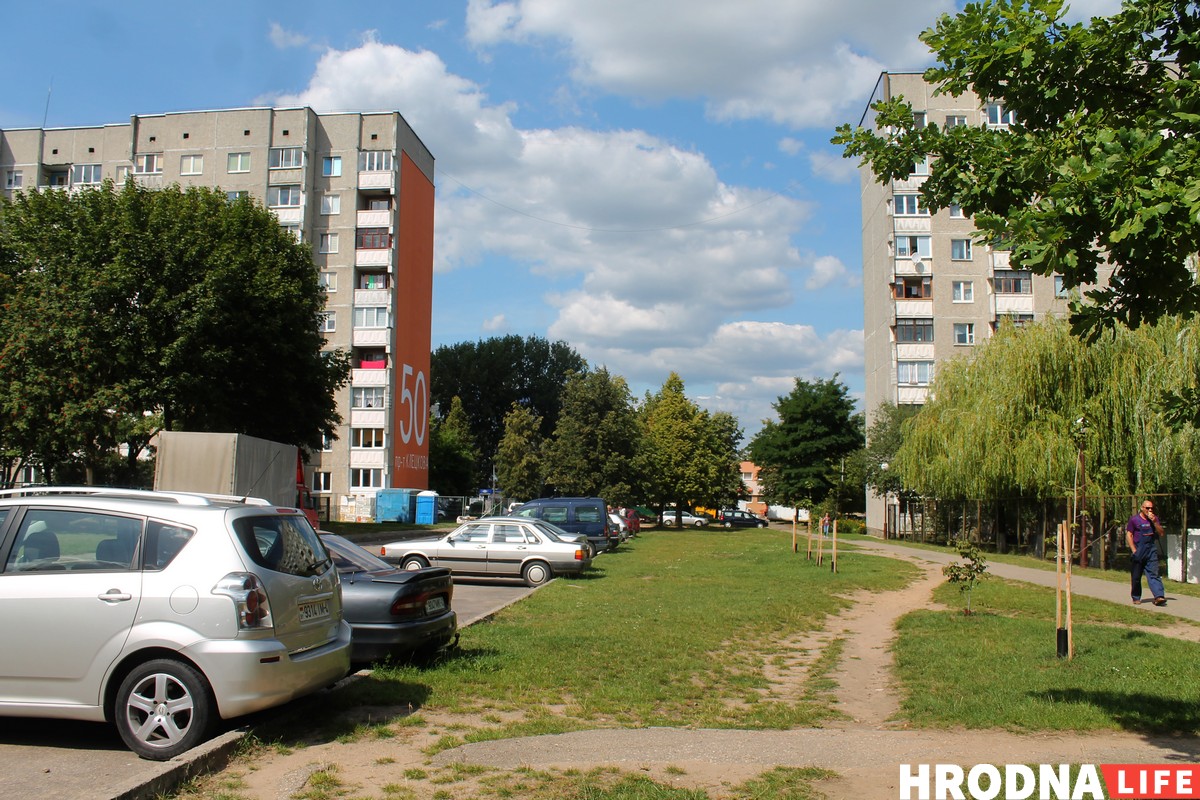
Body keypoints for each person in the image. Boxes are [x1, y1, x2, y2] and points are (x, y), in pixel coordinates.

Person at [1126, 499, 1166, 606]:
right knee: (1136, 576)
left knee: (1154, 574)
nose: (1150, 510)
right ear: (1142, 508)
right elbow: (1129, 535)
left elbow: (1161, 533)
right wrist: (1134, 550)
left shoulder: (1154, 519)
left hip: (1151, 550)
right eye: (1147, 508)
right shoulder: (1134, 520)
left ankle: (1159, 596)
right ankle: (1136, 597)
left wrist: (1155, 522)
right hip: (1139, 550)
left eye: (1152, 508)